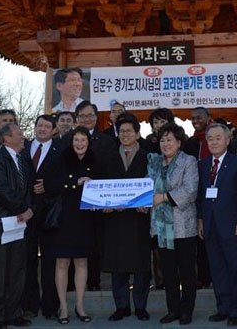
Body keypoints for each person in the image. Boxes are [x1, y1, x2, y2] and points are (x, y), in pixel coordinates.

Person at [0, 123, 35, 329]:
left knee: (16, 271)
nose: (24, 137)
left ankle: (13, 314)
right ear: (6, 138)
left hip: (18, 225)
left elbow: (28, 188)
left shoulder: (22, 160)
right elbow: (0, 189)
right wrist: (22, 210)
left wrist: (28, 209)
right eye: (19, 134)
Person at [197, 123, 237, 327]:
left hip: (233, 225)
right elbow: (200, 197)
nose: (213, 142)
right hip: (210, 226)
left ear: (228, 140)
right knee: (218, 269)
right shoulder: (203, 164)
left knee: (236, 268)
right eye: (210, 138)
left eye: (218, 138)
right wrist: (201, 220)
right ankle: (224, 307)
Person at [44, 126, 100, 324]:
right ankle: (63, 307)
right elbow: (49, 185)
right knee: (62, 262)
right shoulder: (60, 158)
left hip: (85, 219)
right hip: (64, 218)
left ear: (88, 142)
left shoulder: (95, 160)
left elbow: (103, 186)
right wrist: (76, 183)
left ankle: (80, 305)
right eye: (76, 140)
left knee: (82, 262)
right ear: (71, 141)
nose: (79, 144)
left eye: (83, 140)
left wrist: (93, 182)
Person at [148, 122, 199, 325]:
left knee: (186, 271)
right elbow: (145, 187)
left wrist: (163, 197)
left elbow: (190, 190)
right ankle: (173, 309)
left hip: (183, 225)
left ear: (179, 142)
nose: (165, 143)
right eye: (162, 140)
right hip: (161, 227)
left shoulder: (189, 161)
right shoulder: (154, 163)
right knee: (168, 272)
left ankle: (187, 310)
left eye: (170, 140)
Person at [102, 115, 152, 322]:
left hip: (140, 219)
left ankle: (141, 307)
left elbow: (156, 184)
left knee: (141, 266)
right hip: (116, 219)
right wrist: (105, 205)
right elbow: (102, 186)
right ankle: (121, 306)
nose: (125, 135)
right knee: (118, 265)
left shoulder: (150, 156)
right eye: (121, 132)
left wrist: (147, 205)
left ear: (138, 134)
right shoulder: (109, 157)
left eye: (129, 131)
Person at [21, 115, 62, 320]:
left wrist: (48, 186)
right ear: (34, 127)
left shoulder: (61, 149)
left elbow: (65, 178)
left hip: (50, 214)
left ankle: (50, 306)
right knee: (27, 261)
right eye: (39, 125)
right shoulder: (23, 147)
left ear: (54, 130)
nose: (43, 129)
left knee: (50, 262)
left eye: (47, 126)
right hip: (25, 213)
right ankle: (29, 305)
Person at [74, 100, 116, 290]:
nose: (87, 119)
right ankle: (73, 282)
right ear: (77, 119)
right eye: (83, 116)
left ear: (96, 117)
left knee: (96, 240)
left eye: (90, 115)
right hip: (73, 200)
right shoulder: (68, 139)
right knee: (75, 240)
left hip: (98, 199)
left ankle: (94, 281)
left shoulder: (107, 141)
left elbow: (110, 171)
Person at [183, 106, 212, 288]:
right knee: (200, 239)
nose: (195, 121)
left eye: (199, 117)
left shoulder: (217, 137)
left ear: (208, 117)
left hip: (217, 195)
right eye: (193, 118)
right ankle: (203, 277)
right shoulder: (191, 143)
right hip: (196, 196)